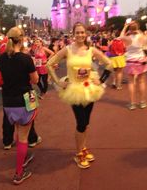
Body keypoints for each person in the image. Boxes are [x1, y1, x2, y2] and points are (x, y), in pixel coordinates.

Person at [47, 22, 112, 169]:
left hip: (89, 89)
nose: (80, 35)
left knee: (86, 122)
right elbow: (49, 64)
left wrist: (101, 80)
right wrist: (58, 82)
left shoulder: (91, 50)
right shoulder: (67, 50)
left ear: (86, 34)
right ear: (73, 34)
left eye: (82, 32)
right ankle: (79, 153)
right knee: (81, 123)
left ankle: (83, 147)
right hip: (74, 90)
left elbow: (109, 63)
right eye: (77, 32)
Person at [0, 27, 39, 185]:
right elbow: (35, 80)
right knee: (23, 137)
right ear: (21, 39)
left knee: (18, 131)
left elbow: (2, 78)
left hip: (8, 103)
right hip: (23, 102)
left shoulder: (2, 58)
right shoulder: (25, 58)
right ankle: (18, 173)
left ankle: (22, 157)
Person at [120, 21, 147, 110]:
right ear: (138, 28)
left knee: (131, 82)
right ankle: (142, 102)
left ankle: (132, 103)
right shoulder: (142, 37)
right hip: (141, 60)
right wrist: (137, 30)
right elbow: (146, 45)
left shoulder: (127, 38)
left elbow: (121, 36)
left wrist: (125, 27)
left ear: (129, 29)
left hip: (130, 61)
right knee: (142, 81)